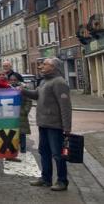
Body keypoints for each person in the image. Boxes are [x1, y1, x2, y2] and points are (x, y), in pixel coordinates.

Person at [21, 58, 72, 191]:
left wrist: (67, 127)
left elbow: (65, 106)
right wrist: (22, 90)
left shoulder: (59, 82)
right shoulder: (44, 81)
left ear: (54, 67)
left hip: (55, 125)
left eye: (45, 64)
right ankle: (46, 179)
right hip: (43, 123)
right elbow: (36, 95)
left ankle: (62, 181)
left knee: (57, 154)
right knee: (44, 152)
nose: (41, 66)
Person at [9, 72, 31, 159]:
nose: (13, 81)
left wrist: (25, 111)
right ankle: (12, 148)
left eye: (15, 80)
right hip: (10, 113)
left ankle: (23, 149)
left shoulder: (23, 88)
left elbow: (28, 101)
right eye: (11, 80)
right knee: (11, 132)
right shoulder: (6, 88)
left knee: (22, 132)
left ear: (18, 80)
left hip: (21, 113)